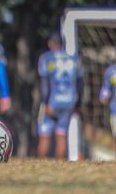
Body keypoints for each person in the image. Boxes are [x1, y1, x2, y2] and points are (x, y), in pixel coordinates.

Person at [36, 32, 83, 160]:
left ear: (50, 44)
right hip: (69, 102)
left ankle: (41, 167)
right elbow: (80, 84)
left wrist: (45, 103)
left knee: (45, 135)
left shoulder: (46, 58)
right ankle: (60, 165)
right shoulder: (75, 59)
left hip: (52, 101)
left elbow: (45, 84)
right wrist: (78, 104)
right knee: (62, 135)